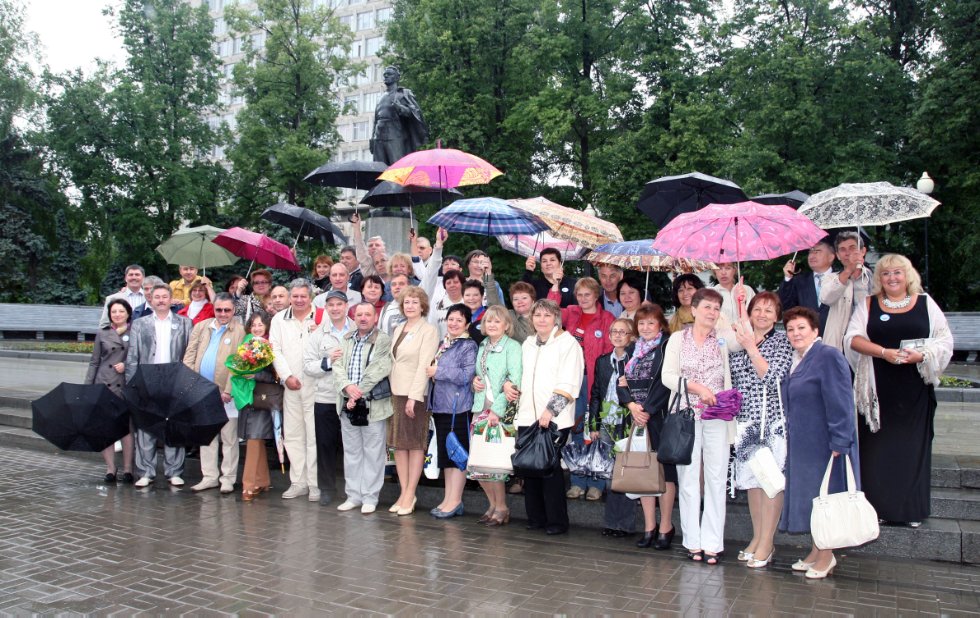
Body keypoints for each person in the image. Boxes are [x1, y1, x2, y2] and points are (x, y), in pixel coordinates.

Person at [844, 254, 953, 527]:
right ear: (879, 279)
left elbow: (944, 339)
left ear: (908, 275)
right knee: (877, 450)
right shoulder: (867, 305)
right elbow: (852, 338)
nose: (892, 278)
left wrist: (923, 355)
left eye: (897, 273)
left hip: (915, 390)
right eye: (885, 273)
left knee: (911, 449)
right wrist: (883, 352)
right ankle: (876, 509)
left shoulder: (926, 304)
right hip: (877, 392)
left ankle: (909, 511)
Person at [780, 306, 860, 579]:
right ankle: (816, 551)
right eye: (790, 329)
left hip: (825, 444)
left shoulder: (828, 356)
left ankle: (827, 557)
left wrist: (840, 440)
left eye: (801, 327)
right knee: (813, 498)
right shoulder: (800, 358)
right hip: (804, 444)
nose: (795, 333)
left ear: (815, 330)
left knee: (825, 498)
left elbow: (841, 402)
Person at [662, 288, 733, 564]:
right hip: (685, 416)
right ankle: (693, 541)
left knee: (716, 479)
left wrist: (737, 301)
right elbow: (667, 376)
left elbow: (746, 338)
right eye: (706, 307)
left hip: (717, 415)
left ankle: (713, 542)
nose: (712, 313)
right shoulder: (678, 338)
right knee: (689, 479)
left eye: (716, 308)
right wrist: (696, 388)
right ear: (693, 309)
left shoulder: (724, 340)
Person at [729, 292, 794, 568]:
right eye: (758, 309)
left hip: (771, 423)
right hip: (745, 424)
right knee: (752, 484)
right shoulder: (739, 339)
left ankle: (768, 541)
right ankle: (757, 537)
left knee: (770, 482)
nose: (763, 314)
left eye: (770, 310)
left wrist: (752, 349)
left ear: (777, 316)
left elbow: (774, 377)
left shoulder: (782, 341)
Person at [516, 299, 584, 535]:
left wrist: (550, 411)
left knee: (549, 469)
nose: (541, 320)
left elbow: (569, 381)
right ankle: (536, 518)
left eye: (547, 315)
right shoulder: (527, 344)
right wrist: (508, 386)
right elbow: (518, 374)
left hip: (554, 417)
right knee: (529, 468)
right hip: (526, 415)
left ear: (556, 318)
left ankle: (556, 521)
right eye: (537, 315)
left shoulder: (568, 344)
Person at [618, 306, 675, 549]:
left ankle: (666, 526)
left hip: (659, 416)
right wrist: (631, 405)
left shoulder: (668, 347)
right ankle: (649, 526)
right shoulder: (631, 349)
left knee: (664, 472)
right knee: (643, 471)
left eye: (651, 323)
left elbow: (666, 381)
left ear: (660, 325)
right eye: (641, 324)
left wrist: (648, 410)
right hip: (635, 417)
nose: (645, 328)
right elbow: (621, 382)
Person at [126, 284, 194, 488]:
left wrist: (188, 382)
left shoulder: (185, 323)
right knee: (146, 427)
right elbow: (132, 356)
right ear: (151, 300)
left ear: (171, 299)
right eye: (157, 297)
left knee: (174, 426)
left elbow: (190, 354)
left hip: (175, 380)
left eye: (165, 297)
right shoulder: (140, 324)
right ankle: (146, 471)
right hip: (147, 380)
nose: (161, 300)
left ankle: (174, 471)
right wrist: (133, 384)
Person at [334, 302, 394, 513]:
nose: (363, 318)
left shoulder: (383, 339)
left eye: (367, 314)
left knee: (372, 453)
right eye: (359, 314)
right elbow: (338, 367)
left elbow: (380, 368)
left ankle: (370, 497)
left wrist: (357, 392)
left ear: (375, 317)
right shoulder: (346, 338)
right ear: (354, 317)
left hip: (372, 405)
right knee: (351, 452)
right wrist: (347, 389)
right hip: (347, 405)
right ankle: (353, 495)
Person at [184, 294, 246, 494]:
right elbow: (189, 356)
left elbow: (238, 363)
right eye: (219, 310)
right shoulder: (202, 327)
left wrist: (227, 390)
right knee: (207, 436)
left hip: (225, 395)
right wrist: (193, 385)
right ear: (214, 309)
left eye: (227, 310)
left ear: (233, 310)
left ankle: (227, 478)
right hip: (202, 391)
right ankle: (209, 476)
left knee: (229, 438)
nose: (223, 314)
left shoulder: (239, 330)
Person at [561, 277, 615, 500]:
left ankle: (598, 482)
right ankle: (577, 480)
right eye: (579, 294)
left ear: (596, 295)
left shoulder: (607, 318)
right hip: (573, 380)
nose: (583, 299)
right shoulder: (571, 312)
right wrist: (556, 285)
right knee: (576, 429)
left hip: (595, 382)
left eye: (587, 294)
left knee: (596, 431)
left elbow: (610, 354)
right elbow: (549, 308)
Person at [388, 286, 440, 515]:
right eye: (406, 302)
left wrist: (413, 397)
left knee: (415, 444)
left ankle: (410, 493)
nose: (409, 306)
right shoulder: (399, 327)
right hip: (396, 392)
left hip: (414, 395)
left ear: (422, 306)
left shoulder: (428, 331)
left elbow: (423, 365)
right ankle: (403, 492)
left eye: (414, 302)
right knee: (399, 445)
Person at [469, 305, 522, 526]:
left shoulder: (513, 347)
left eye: (497, 321)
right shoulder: (482, 345)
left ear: (506, 325)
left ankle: (502, 507)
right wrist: (474, 382)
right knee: (479, 462)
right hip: (480, 407)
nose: (491, 324)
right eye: (488, 321)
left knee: (495, 464)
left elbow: (515, 378)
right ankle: (491, 504)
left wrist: (497, 411)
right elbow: (480, 374)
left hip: (498, 410)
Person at [427, 304, 478, 519]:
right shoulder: (444, 344)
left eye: (459, 320)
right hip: (441, 407)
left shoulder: (468, 345)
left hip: (459, 407)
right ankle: (449, 498)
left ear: (467, 324)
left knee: (458, 455)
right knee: (447, 454)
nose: (454, 323)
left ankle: (456, 499)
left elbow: (466, 375)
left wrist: (438, 371)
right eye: (451, 319)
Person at [303, 290, 353, 506]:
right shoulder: (318, 334)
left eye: (339, 304)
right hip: (325, 397)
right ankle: (327, 488)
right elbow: (307, 366)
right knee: (325, 444)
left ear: (346, 306)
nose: (335, 308)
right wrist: (328, 362)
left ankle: (352, 490)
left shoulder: (358, 329)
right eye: (330, 304)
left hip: (352, 397)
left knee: (351, 446)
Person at [270, 279, 319, 501]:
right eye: (295, 296)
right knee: (293, 435)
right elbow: (275, 350)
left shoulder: (322, 316)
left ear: (310, 297)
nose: (299, 300)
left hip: (317, 385)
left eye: (303, 296)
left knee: (314, 435)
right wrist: (286, 376)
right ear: (290, 297)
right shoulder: (279, 319)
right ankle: (298, 481)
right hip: (291, 385)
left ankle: (315, 484)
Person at [589, 317, 636, 538]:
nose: (617, 335)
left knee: (626, 473)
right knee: (610, 473)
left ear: (631, 336)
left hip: (627, 421)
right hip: (607, 421)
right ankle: (610, 521)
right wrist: (594, 423)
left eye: (623, 332)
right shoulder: (602, 361)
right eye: (614, 332)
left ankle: (625, 524)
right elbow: (596, 392)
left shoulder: (636, 360)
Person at [85, 298, 135, 483]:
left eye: (121, 311)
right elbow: (94, 361)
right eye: (114, 312)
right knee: (106, 428)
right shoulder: (103, 333)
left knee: (126, 429)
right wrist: (88, 387)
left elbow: (141, 356)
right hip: (104, 383)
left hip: (126, 385)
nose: (117, 315)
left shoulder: (135, 331)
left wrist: (127, 365)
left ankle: (128, 469)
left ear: (128, 313)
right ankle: (110, 468)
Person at [235, 313, 278, 501]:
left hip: (263, 398)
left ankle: (249, 485)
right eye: (254, 325)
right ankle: (263, 480)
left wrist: (256, 376)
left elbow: (276, 376)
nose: (257, 328)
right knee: (255, 440)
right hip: (247, 397)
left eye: (261, 324)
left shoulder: (271, 345)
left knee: (253, 440)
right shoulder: (246, 345)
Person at [820, 230, 871, 351]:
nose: (848, 253)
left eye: (853, 248)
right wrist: (848, 270)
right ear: (837, 255)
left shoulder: (874, 277)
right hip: (839, 344)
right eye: (842, 250)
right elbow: (826, 298)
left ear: (863, 251)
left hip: (867, 340)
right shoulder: (830, 278)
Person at [370, 65, 428, 164]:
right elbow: (376, 120)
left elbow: (415, 113)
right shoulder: (381, 97)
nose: (386, 76)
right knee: (378, 169)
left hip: (395, 136)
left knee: (397, 167)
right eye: (384, 74)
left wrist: (400, 107)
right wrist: (372, 138)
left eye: (389, 74)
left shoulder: (404, 94)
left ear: (397, 77)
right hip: (378, 137)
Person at [778, 238, 836, 333]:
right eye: (810, 251)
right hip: (805, 337)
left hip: (834, 337)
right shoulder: (799, 280)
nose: (812, 255)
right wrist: (788, 278)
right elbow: (784, 305)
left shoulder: (841, 279)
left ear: (831, 257)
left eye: (817, 251)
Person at [428, 269, 465, 337]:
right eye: (448, 283)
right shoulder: (437, 306)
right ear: (445, 286)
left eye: (456, 282)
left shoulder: (469, 304)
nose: (452, 285)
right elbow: (433, 330)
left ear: (462, 284)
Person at [461, 280, 486, 344]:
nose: (471, 298)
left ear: (482, 296)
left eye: (475, 295)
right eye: (467, 295)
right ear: (463, 297)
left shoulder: (489, 316)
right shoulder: (458, 317)